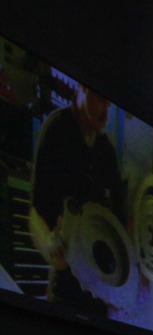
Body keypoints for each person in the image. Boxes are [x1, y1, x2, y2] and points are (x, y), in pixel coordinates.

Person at [27, 86, 126, 316]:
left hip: (100, 291)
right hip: (64, 287)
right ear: (82, 90)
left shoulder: (106, 150)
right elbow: (35, 211)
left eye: (109, 104)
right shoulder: (56, 128)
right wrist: (49, 247)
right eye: (100, 99)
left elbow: (119, 220)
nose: (106, 111)